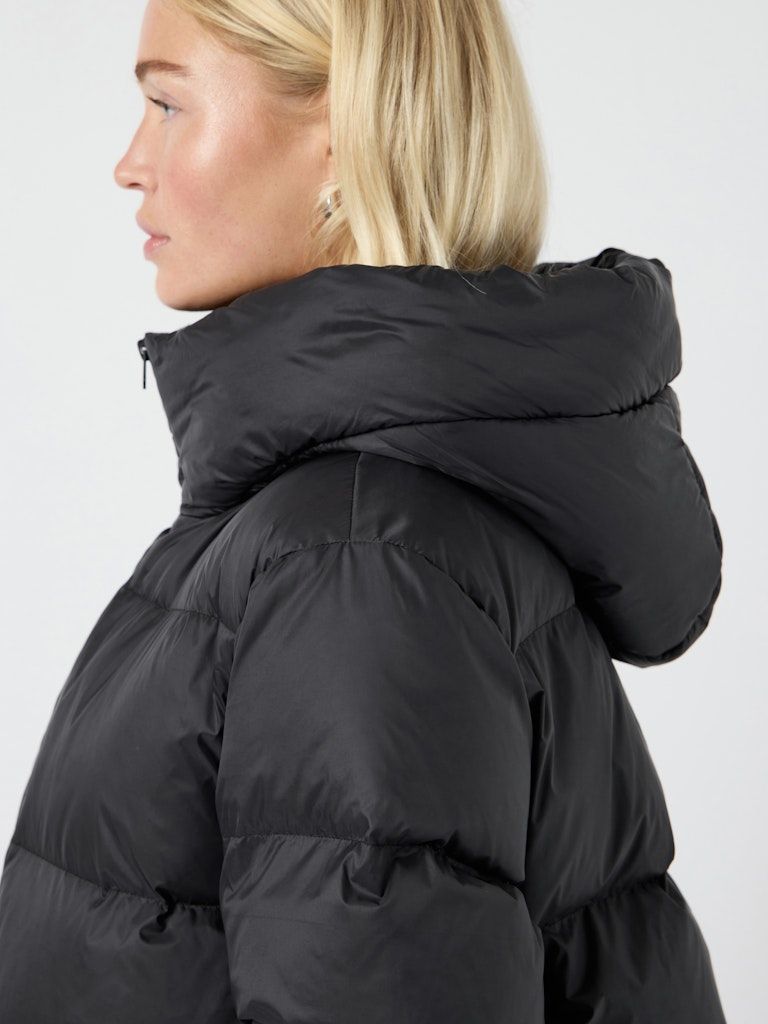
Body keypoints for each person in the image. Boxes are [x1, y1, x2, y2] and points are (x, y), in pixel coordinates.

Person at [0, 1, 727, 1021]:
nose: (130, 163)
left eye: (168, 105)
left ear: (345, 134)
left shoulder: (354, 554)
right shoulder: (357, 526)